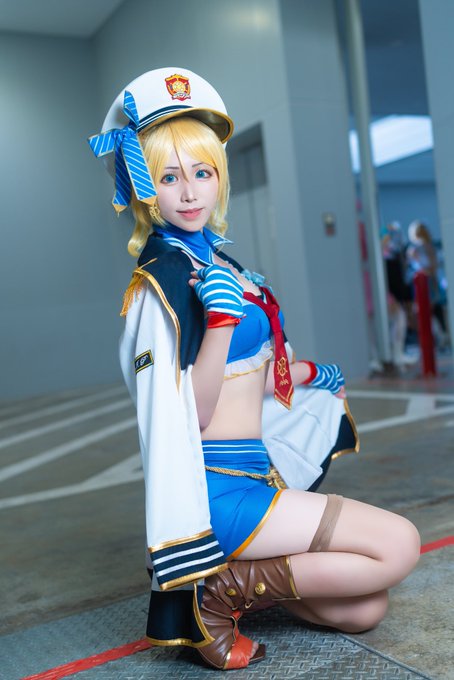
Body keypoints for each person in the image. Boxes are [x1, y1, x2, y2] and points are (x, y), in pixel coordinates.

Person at [89, 68, 420, 670]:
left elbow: (249, 375)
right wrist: (218, 326)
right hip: (216, 488)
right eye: (169, 177)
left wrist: (308, 374)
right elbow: (188, 414)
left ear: (219, 176)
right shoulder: (158, 287)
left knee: (365, 608)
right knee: (400, 545)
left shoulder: (224, 265)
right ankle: (220, 591)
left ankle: (238, 579)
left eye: (202, 172)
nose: (189, 192)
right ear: (143, 185)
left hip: (259, 474)